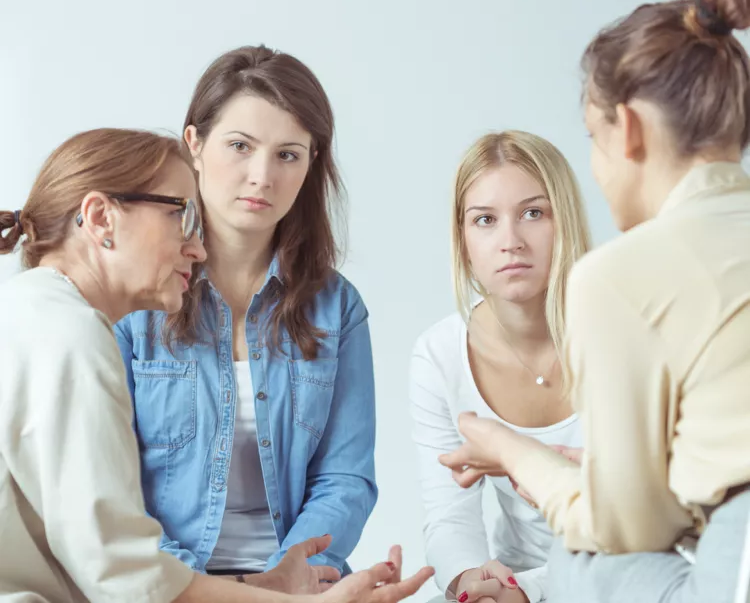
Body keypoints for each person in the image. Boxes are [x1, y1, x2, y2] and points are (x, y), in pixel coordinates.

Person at [0, 127, 432, 603]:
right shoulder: (72, 335)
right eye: (179, 216)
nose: (198, 248)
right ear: (101, 218)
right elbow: (127, 576)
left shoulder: (31, 312)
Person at [439, 0, 750, 601]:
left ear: (626, 129)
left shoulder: (619, 274)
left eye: (592, 136)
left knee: (581, 565)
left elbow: (629, 528)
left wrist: (513, 451)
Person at [113, 44, 377, 580]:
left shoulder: (338, 306)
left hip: (302, 584)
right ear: (195, 143)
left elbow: (345, 478)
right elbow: (110, 489)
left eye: (288, 154)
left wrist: (287, 579)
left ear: (310, 165)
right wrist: (201, 588)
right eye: (240, 145)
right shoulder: (133, 301)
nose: (262, 176)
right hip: (167, 585)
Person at [410, 131, 591, 603]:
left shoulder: (626, 335)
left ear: (564, 220)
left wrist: (525, 591)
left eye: (533, 213)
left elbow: (642, 524)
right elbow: (450, 516)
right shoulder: (440, 354)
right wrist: (475, 582)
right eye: (485, 220)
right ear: (464, 238)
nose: (510, 241)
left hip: (625, 574)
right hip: (512, 582)